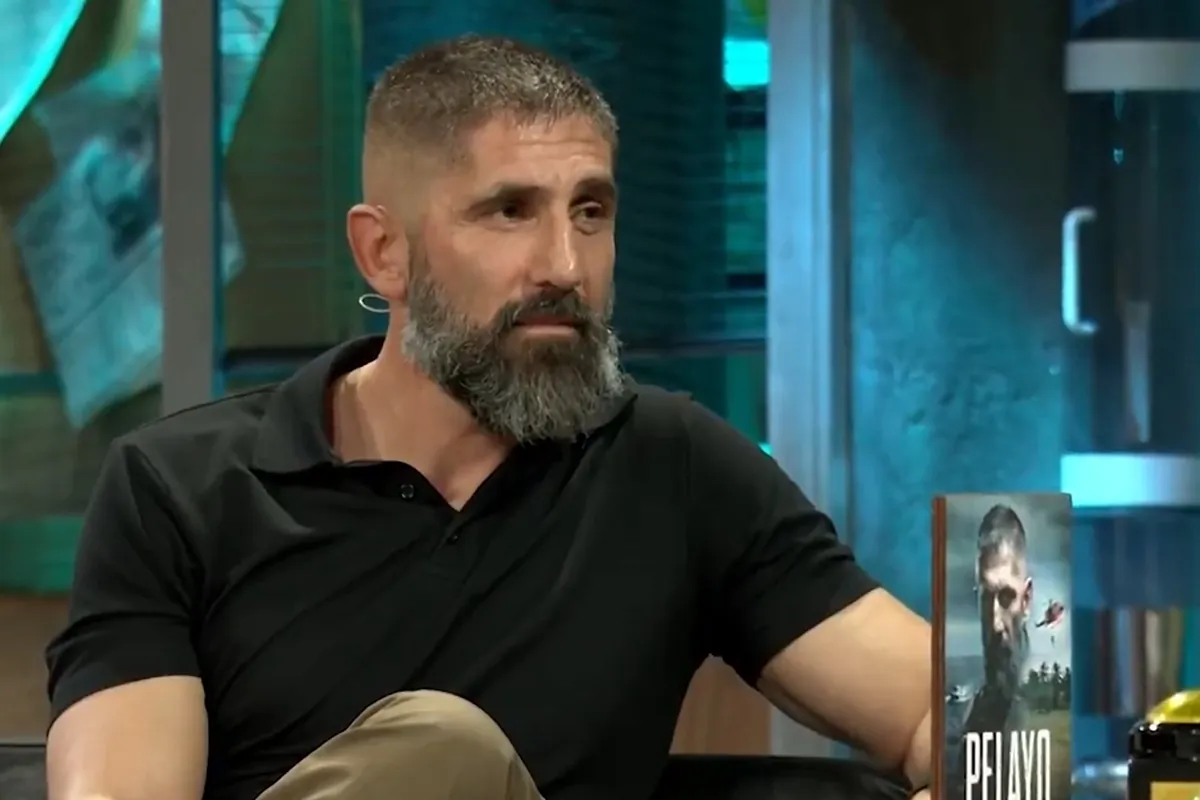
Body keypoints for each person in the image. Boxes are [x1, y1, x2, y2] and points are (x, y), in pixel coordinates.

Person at [43, 35, 931, 800]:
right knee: (439, 748)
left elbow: (969, 717)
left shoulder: (675, 467)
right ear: (383, 252)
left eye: (591, 211)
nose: (565, 265)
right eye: (510, 212)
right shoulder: (179, 490)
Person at [950, 503, 1033, 795]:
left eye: (1007, 597)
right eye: (987, 598)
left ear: (1026, 599)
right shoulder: (968, 715)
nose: (996, 623)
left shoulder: (1048, 703)